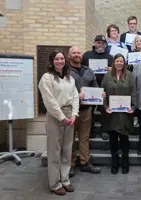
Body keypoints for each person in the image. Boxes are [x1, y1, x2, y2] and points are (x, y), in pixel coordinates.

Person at [38, 50, 79, 196]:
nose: (60, 61)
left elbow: (75, 97)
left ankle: (65, 179)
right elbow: (50, 101)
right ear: (52, 61)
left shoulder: (69, 78)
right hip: (55, 116)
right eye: (57, 59)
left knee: (67, 149)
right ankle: (55, 183)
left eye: (62, 58)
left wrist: (74, 114)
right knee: (54, 151)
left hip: (69, 116)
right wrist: (62, 117)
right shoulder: (47, 78)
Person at [68, 46, 101, 177]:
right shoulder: (65, 72)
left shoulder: (88, 71)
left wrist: (99, 94)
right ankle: (70, 164)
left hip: (86, 110)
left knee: (84, 138)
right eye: (74, 53)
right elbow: (62, 91)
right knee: (70, 139)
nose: (77, 54)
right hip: (70, 110)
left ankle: (84, 162)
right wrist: (76, 95)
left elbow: (95, 85)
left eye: (78, 52)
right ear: (69, 55)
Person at [101, 54, 136, 174]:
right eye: (117, 61)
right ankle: (115, 162)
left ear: (124, 63)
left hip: (125, 114)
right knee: (113, 140)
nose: (119, 63)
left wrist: (133, 107)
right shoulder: (106, 76)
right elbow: (102, 94)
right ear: (113, 62)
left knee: (124, 139)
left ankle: (125, 162)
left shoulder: (129, 75)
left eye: (121, 61)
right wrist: (105, 107)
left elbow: (134, 92)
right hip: (111, 114)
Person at [82, 34, 113, 140]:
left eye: (103, 43)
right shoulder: (86, 55)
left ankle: (104, 130)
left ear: (105, 45)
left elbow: (115, 72)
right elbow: (81, 69)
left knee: (104, 110)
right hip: (90, 87)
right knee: (90, 111)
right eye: (99, 42)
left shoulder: (110, 57)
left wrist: (111, 69)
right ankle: (91, 130)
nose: (101, 45)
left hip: (104, 87)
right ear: (94, 43)